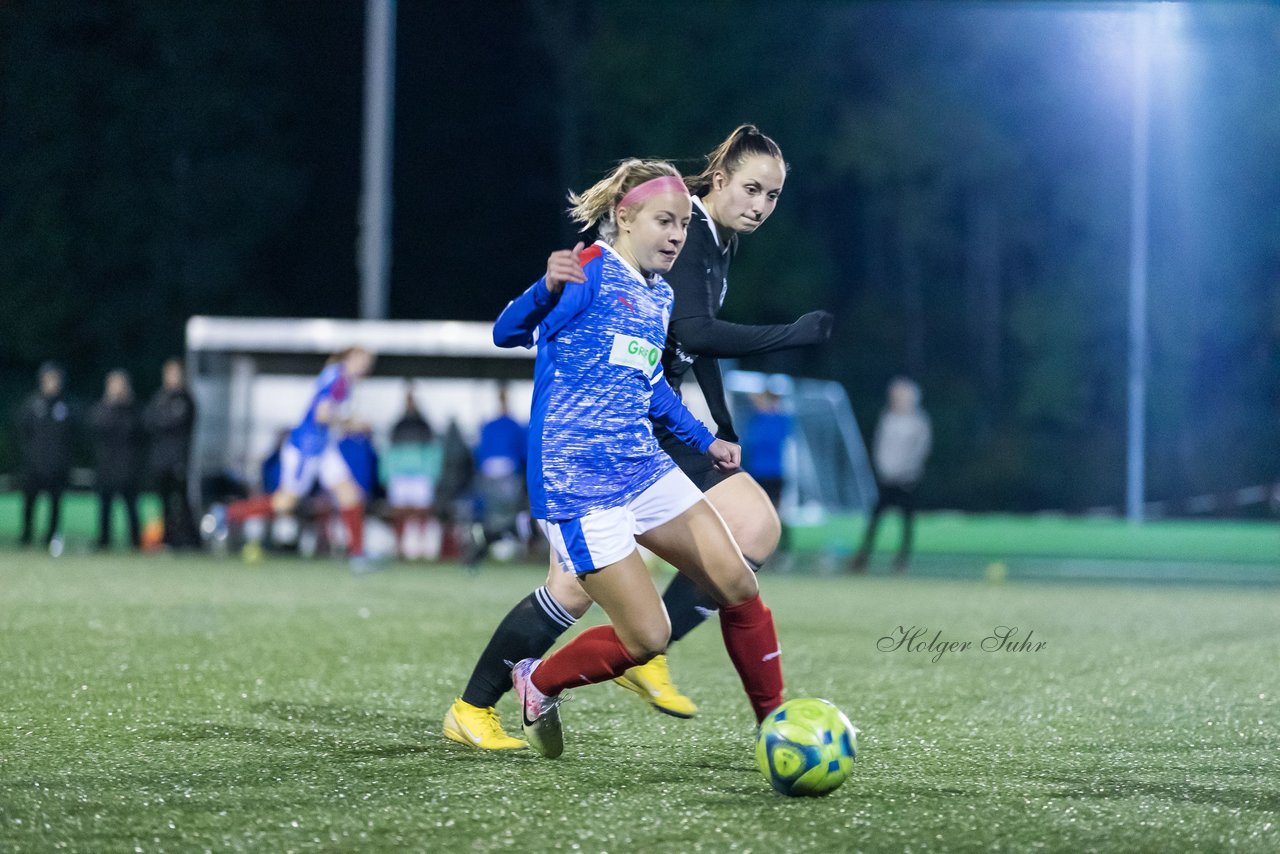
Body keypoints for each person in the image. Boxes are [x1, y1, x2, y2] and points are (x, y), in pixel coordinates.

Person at [444, 126, 830, 749]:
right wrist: (544, 289)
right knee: (645, 637)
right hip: (577, 479)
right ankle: (507, 693)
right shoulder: (589, 270)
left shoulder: (658, 295)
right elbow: (506, 332)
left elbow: (651, 387)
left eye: (682, 225)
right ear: (625, 218)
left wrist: (705, 439)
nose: (678, 236)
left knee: (737, 580)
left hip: (642, 466)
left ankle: (774, 724)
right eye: (665, 223)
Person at [219, 347, 379, 571]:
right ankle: (227, 514)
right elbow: (321, 414)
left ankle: (358, 556)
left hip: (323, 449)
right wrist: (351, 423)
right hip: (306, 449)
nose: (366, 366)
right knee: (284, 503)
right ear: (350, 358)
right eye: (363, 360)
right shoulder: (339, 379)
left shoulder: (340, 378)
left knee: (350, 495)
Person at [851, 377, 932, 573]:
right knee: (875, 517)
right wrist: (883, 469)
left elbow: (920, 450)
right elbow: (880, 446)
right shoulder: (888, 417)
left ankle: (902, 559)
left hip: (906, 479)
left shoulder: (918, 421)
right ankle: (863, 556)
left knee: (906, 520)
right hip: (886, 478)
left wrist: (909, 471)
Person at [464, 385, 529, 567]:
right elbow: (524, 453)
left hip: (490, 473)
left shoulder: (491, 425)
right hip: (507, 473)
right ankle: (489, 543)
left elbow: (479, 452)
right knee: (511, 516)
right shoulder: (513, 426)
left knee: (502, 516)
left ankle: (484, 542)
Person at [16, 362, 76, 551]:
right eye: (48, 379)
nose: (51, 383)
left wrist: (65, 459)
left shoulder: (66, 405)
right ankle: (26, 536)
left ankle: (51, 537)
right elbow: (21, 432)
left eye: (55, 379)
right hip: (34, 465)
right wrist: (29, 455)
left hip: (57, 465)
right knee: (29, 502)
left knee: (56, 504)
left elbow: (73, 436)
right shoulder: (32, 404)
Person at [143, 358, 200, 550]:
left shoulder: (185, 399)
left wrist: (162, 421)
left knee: (182, 502)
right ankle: (168, 539)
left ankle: (191, 541)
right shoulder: (160, 397)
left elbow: (173, 424)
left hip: (178, 460)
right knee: (165, 503)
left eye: (175, 373)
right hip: (161, 461)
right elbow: (149, 421)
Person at [381, 384, 442, 560]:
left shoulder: (424, 425)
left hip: (421, 474)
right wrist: (386, 475)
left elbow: (433, 451)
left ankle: (423, 545)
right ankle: (399, 546)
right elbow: (389, 452)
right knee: (399, 511)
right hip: (400, 474)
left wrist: (433, 473)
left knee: (422, 510)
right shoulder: (397, 425)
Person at [90, 369, 144, 551]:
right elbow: (96, 427)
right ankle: (104, 541)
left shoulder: (133, 410)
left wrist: (125, 405)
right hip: (106, 467)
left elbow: (139, 431)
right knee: (105, 507)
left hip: (128, 467)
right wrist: (110, 404)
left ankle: (136, 542)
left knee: (131, 507)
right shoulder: (102, 409)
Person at [741, 389, 793, 553]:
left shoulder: (780, 419)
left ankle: (782, 548)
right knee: (757, 513)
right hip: (757, 473)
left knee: (776, 514)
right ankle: (756, 548)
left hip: (775, 473)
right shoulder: (755, 419)